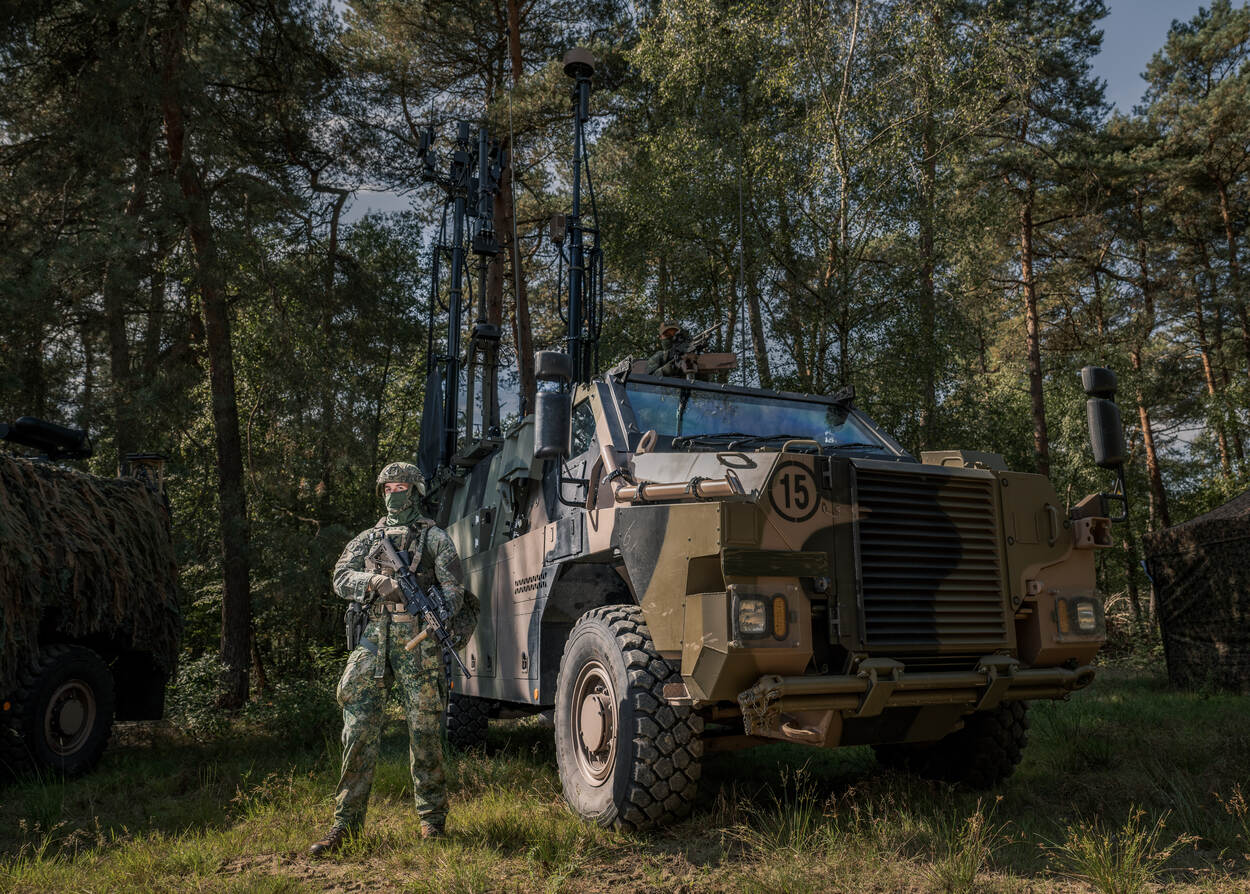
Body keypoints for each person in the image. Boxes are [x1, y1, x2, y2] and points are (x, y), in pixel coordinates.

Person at [310, 461, 465, 856]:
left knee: (425, 731)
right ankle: (344, 824)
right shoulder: (368, 538)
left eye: (400, 486)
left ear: (415, 491)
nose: (393, 493)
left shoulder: (436, 538)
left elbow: (455, 589)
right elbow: (341, 577)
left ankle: (432, 823)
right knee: (357, 727)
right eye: (387, 487)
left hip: (418, 638)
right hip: (373, 638)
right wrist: (375, 582)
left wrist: (439, 614)